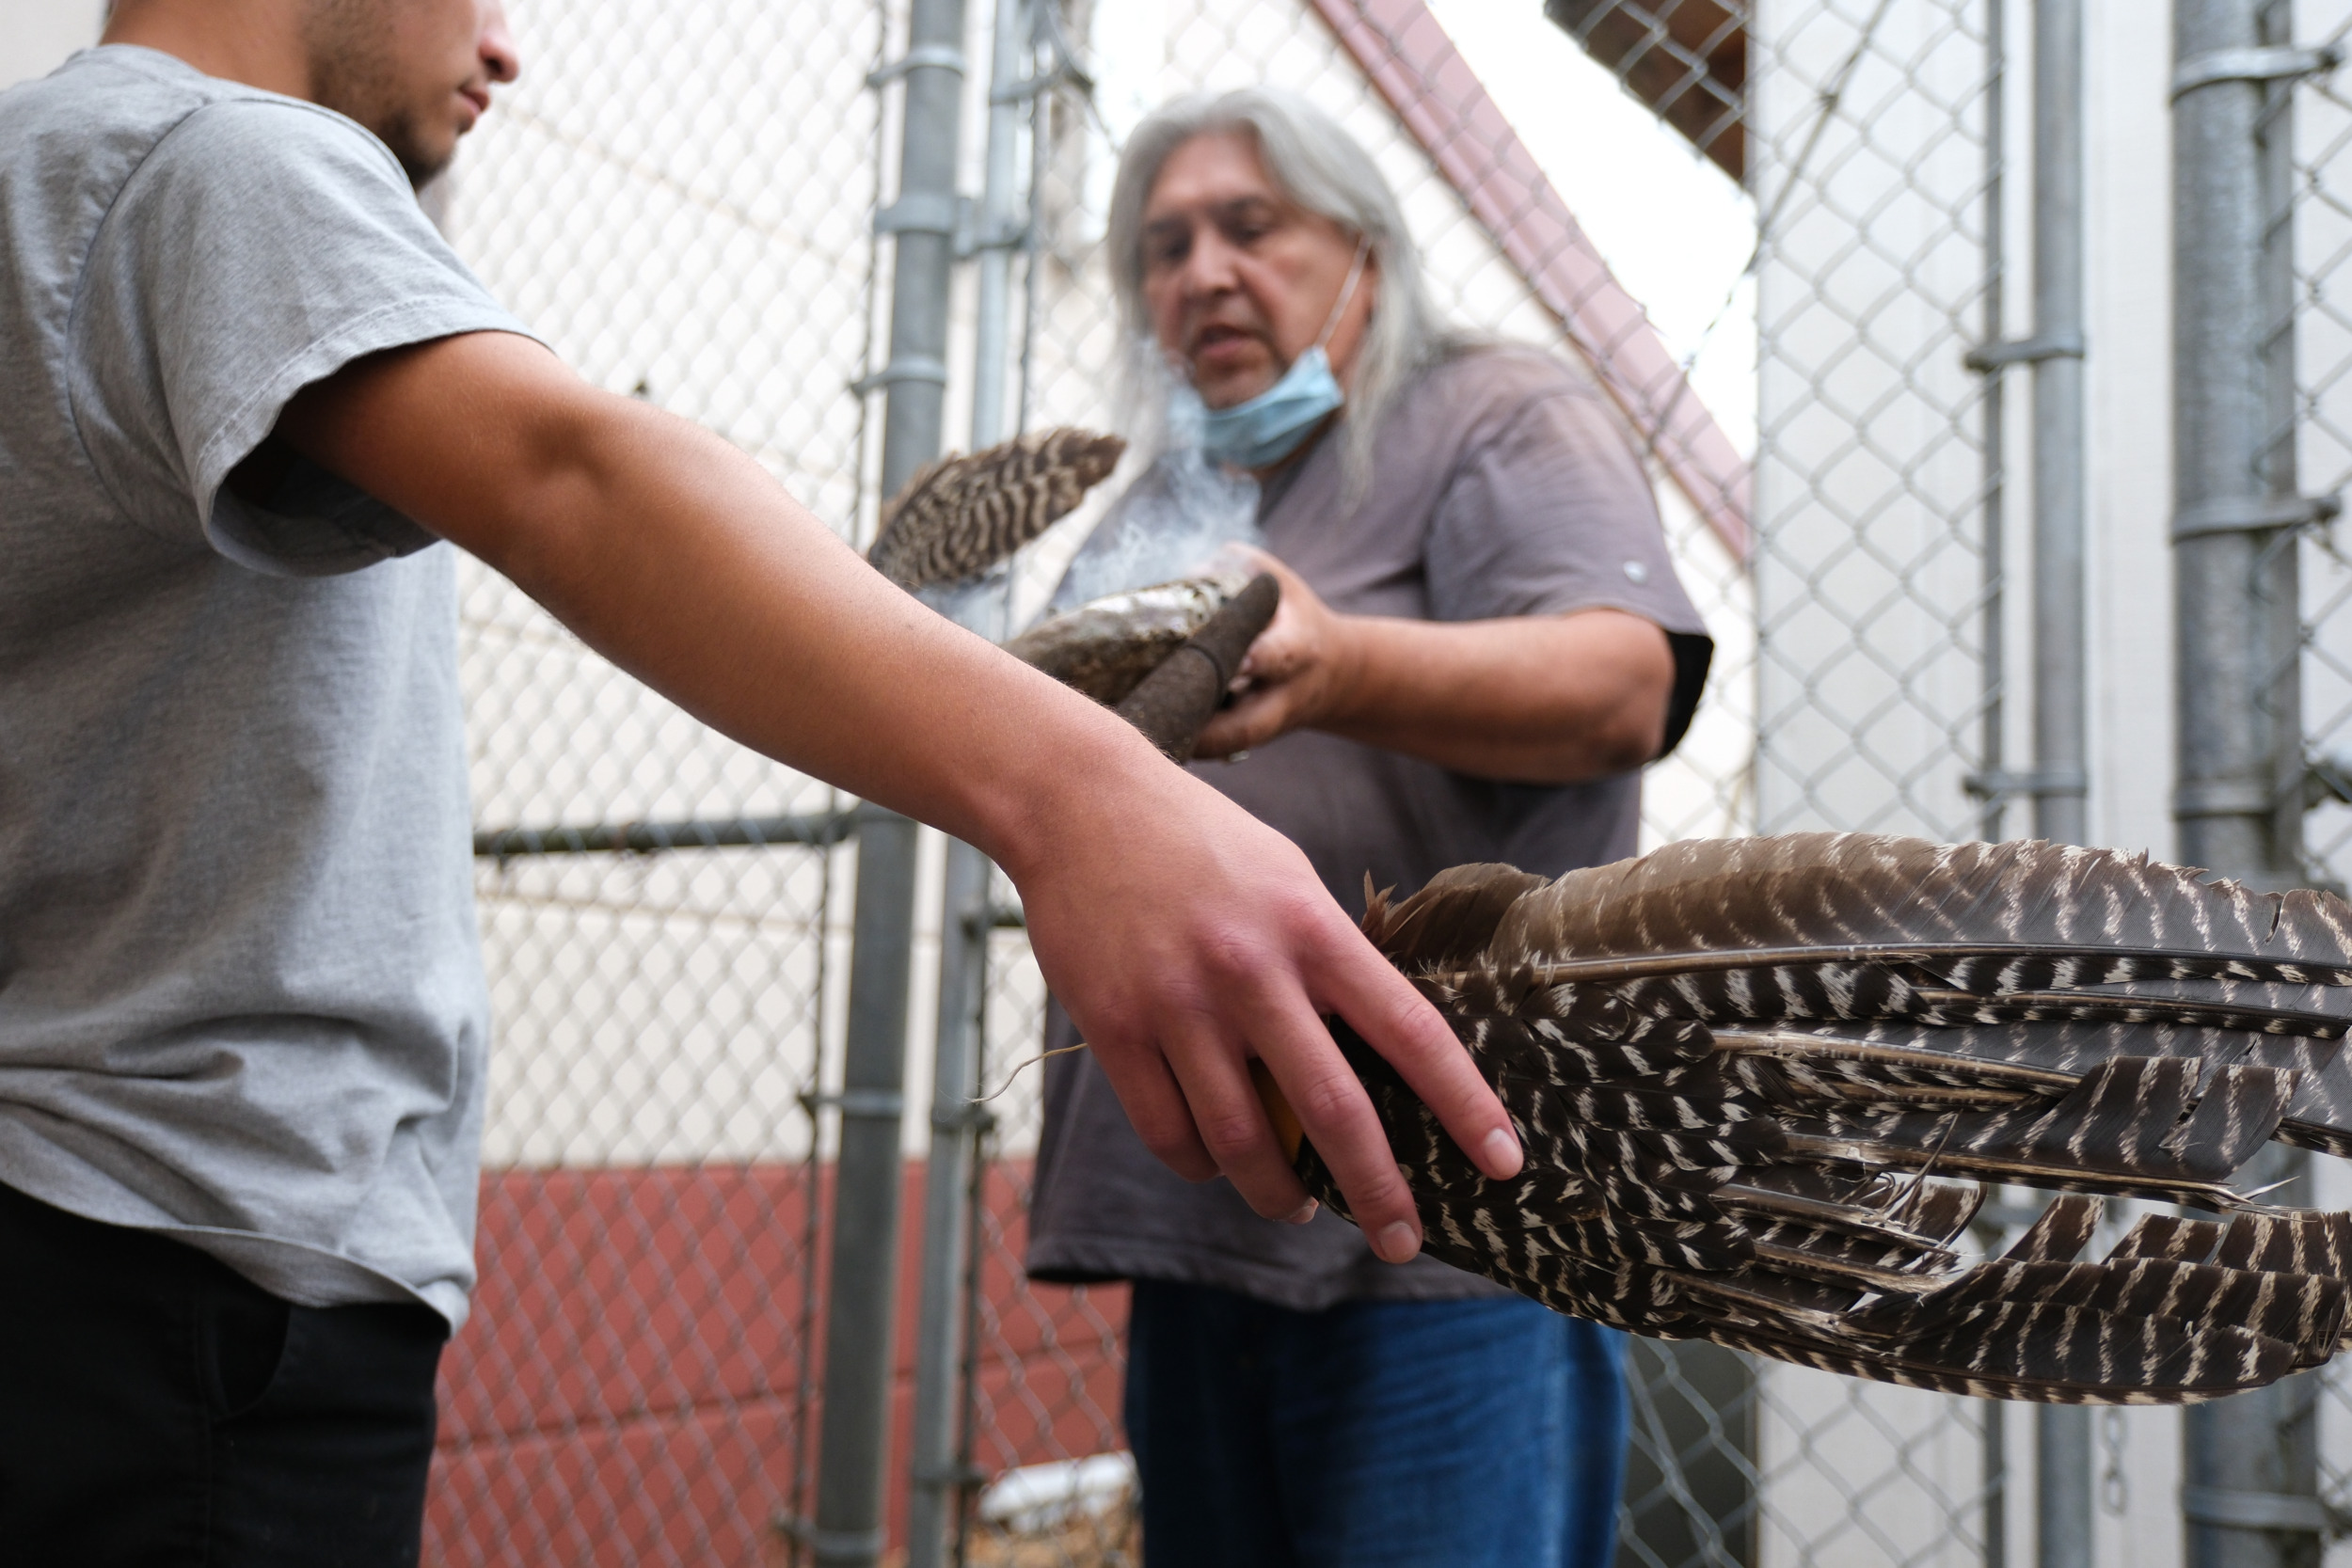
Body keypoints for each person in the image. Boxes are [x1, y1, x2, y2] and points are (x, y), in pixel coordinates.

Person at [0, 8, 1528, 1562]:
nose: (504, 45)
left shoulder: (55, 177)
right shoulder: (207, 159)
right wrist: (1090, 801)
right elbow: (572, 477)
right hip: (177, 1270)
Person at [1025, 88, 1715, 1567]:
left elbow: (1623, 679)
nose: (1201, 270)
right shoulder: (1158, 504)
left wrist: (1344, 665)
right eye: (1161, 246)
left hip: (1454, 1233)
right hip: (1207, 1213)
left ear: (1370, 258)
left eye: (1250, 227)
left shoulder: (1488, 412)